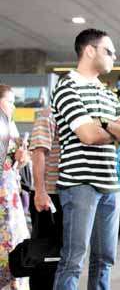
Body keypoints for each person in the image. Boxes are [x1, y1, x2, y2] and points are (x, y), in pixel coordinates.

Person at [51, 28, 120, 290]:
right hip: (79, 184)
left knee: (105, 259)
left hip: (109, 184)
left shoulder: (109, 94)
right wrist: (113, 128)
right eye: (108, 51)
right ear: (89, 50)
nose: (114, 57)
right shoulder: (66, 87)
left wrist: (103, 124)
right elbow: (87, 135)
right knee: (73, 259)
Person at [28, 107, 63, 290]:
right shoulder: (48, 114)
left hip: (67, 194)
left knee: (61, 253)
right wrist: (41, 192)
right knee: (44, 253)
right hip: (49, 194)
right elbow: (38, 152)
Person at [0, 84, 30, 290]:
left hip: (10, 191)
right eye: (9, 101)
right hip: (4, 192)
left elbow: (16, 163)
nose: (13, 106)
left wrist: (21, 158)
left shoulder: (10, 124)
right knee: (7, 236)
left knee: (15, 234)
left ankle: (14, 281)